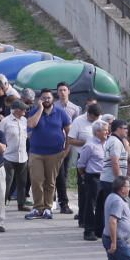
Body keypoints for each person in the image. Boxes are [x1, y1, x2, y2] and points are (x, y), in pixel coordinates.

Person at [25, 89, 71, 220]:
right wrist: (40, 109)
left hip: (55, 153)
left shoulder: (61, 113)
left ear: (53, 99)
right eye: (43, 98)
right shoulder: (34, 111)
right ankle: (38, 207)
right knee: (36, 180)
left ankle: (47, 208)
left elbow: (69, 132)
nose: (46, 100)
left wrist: (66, 150)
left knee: (50, 182)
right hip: (36, 152)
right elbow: (32, 124)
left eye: (48, 98)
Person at [96, 119, 128, 236]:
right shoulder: (115, 142)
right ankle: (110, 233)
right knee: (113, 208)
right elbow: (115, 162)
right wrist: (120, 181)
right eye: (125, 128)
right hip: (112, 180)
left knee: (105, 206)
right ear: (118, 129)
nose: (126, 131)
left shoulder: (114, 140)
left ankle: (101, 231)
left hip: (108, 179)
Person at [78, 120, 107, 242]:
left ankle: (100, 229)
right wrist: (85, 176)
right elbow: (81, 164)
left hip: (105, 176)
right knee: (91, 205)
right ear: (97, 132)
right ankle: (88, 230)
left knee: (102, 204)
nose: (107, 132)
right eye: (105, 130)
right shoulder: (90, 145)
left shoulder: (107, 143)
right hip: (93, 177)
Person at [53, 82, 80, 214]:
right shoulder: (54, 107)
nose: (62, 92)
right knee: (56, 172)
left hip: (68, 143)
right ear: (57, 93)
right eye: (60, 90)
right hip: (55, 143)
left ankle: (62, 199)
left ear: (68, 91)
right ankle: (55, 200)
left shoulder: (75, 108)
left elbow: (75, 126)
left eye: (64, 90)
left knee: (65, 171)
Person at [0, 100, 29, 210]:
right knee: (7, 182)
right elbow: (0, 137)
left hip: (22, 156)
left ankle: (21, 204)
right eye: (23, 109)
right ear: (16, 110)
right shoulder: (5, 122)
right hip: (9, 156)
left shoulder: (24, 120)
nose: (25, 111)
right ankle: (2, 203)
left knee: (22, 182)